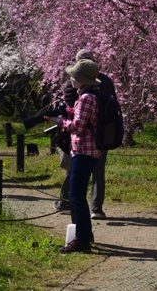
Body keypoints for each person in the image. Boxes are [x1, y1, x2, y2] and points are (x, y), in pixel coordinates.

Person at [49, 59, 103, 254]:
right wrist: (66, 110)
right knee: (78, 195)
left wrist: (60, 121)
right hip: (87, 151)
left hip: (84, 151)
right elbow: (81, 118)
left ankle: (81, 239)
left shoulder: (87, 97)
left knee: (77, 197)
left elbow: (78, 127)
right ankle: (85, 235)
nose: (71, 78)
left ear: (82, 80)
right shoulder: (87, 96)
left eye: (74, 76)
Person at [57, 48, 116, 219]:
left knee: (75, 170)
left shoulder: (76, 84)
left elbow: (74, 116)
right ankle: (96, 207)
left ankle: (66, 200)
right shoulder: (106, 81)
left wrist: (60, 119)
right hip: (103, 134)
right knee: (98, 171)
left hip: (82, 136)